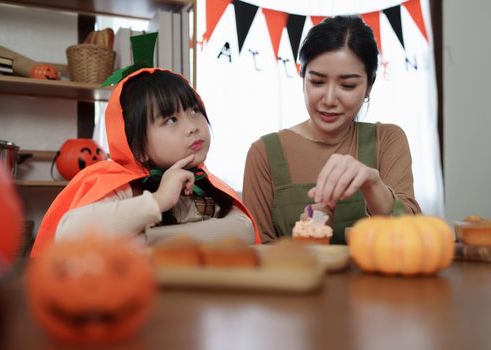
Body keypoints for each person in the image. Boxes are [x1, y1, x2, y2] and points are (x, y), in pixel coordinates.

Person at [31, 68, 260, 257]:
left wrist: (148, 241)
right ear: (138, 148)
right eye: (171, 119)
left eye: (194, 110)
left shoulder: (204, 185)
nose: (193, 126)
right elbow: (69, 234)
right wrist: (158, 201)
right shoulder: (126, 187)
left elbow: (244, 230)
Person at [242, 15, 421, 244]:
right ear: (302, 77)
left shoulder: (387, 140)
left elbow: (413, 234)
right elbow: (258, 254)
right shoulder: (264, 153)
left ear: (369, 86)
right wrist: (313, 226)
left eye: (347, 85)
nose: (329, 99)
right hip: (297, 280)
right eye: (317, 82)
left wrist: (371, 182)